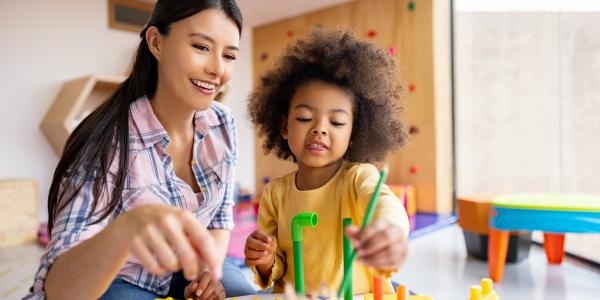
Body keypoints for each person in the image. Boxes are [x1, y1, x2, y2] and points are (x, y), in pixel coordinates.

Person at [25, 1, 256, 299]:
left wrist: (209, 272)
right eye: (201, 47)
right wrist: (127, 230)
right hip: (120, 276)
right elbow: (57, 290)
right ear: (156, 43)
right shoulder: (107, 142)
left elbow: (221, 217)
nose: (217, 69)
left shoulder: (223, 124)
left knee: (245, 294)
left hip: (188, 266)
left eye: (229, 55)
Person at [244, 29, 410, 296]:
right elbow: (275, 267)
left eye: (336, 122)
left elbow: (385, 204)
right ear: (284, 126)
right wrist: (264, 260)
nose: (320, 129)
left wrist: (389, 230)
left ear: (354, 134)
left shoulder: (358, 178)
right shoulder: (275, 195)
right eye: (304, 118)